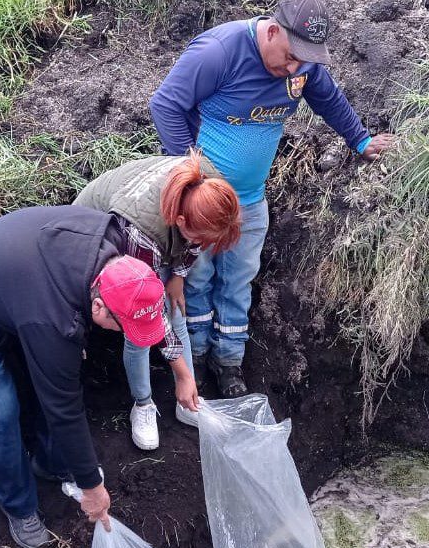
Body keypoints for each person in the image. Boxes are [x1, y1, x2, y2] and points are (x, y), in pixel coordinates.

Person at [0, 206, 200, 548]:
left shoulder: (116, 252)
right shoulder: (53, 322)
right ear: (98, 308)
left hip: (9, 285)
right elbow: (62, 406)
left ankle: (51, 464)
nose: (123, 333)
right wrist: (93, 489)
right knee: (0, 408)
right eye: (123, 326)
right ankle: (19, 507)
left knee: (51, 374)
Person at [150, 0, 395, 397]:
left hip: (249, 200)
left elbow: (328, 99)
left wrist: (360, 140)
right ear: (273, 30)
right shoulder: (220, 52)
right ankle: (191, 359)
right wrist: (190, 180)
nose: (296, 69)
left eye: (305, 61)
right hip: (201, 205)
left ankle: (228, 361)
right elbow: (165, 105)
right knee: (194, 278)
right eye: (291, 57)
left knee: (238, 281)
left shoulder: (303, 64)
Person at [73, 151, 240, 447]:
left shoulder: (209, 188)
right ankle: (143, 404)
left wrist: (177, 276)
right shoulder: (142, 233)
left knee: (177, 311)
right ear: (179, 220)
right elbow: (150, 315)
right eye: (201, 238)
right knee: (139, 332)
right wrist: (184, 374)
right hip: (93, 234)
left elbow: (194, 241)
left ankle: (187, 401)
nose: (204, 245)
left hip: (152, 229)